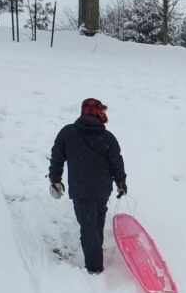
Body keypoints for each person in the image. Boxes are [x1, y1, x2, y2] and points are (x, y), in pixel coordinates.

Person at [48, 98, 127, 274]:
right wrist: (121, 182)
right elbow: (116, 162)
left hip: (80, 188)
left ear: (82, 112)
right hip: (102, 188)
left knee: (88, 225)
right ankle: (95, 254)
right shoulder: (107, 137)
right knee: (96, 222)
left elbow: (57, 156)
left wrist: (55, 178)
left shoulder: (68, 133)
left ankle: (94, 267)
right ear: (100, 113)